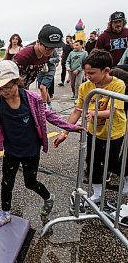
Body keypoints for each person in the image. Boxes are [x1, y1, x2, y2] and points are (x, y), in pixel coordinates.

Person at [0, 61, 82, 229]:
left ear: (16, 81)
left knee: (30, 182)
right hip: (11, 149)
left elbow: (49, 115)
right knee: (7, 182)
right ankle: (5, 214)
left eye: (5, 87)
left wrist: (70, 127)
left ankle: (48, 197)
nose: (1, 92)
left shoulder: (31, 99)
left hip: (30, 150)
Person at [54, 50, 128, 206]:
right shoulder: (85, 87)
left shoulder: (117, 85)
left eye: (91, 73)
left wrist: (94, 113)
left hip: (113, 132)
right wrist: (64, 131)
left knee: (113, 162)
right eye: (86, 73)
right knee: (92, 161)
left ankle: (126, 178)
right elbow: (77, 111)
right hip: (94, 131)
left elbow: (113, 111)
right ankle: (97, 194)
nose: (88, 76)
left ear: (106, 70)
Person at [13, 24, 65, 89]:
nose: (51, 51)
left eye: (53, 48)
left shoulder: (46, 54)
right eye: (47, 47)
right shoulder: (22, 57)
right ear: (38, 42)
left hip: (24, 88)